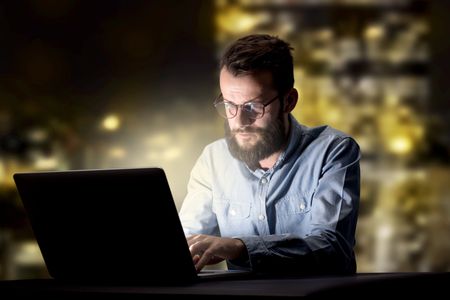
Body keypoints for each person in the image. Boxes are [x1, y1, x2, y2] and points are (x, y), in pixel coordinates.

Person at [179, 34, 360, 275]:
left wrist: (241, 248)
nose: (239, 121)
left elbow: (332, 249)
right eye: (229, 105)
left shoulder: (333, 151)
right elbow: (186, 242)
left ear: (289, 101)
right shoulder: (213, 159)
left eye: (253, 107)